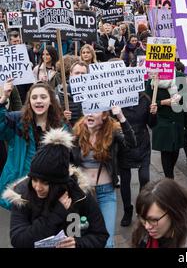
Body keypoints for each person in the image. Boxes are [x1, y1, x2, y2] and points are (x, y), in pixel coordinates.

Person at [3, 128, 109, 248]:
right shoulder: (22, 195)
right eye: (34, 180)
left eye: (45, 183)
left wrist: (78, 244)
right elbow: (19, 240)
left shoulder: (79, 194)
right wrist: (55, 215)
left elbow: (100, 235)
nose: (38, 187)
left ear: (59, 183)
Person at [71, 106, 137, 247]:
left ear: (105, 115)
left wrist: (121, 117)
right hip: (83, 194)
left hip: (106, 193)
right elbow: (65, 157)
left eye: (95, 110)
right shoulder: (77, 132)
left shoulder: (112, 131)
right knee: (82, 237)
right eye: (87, 110)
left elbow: (131, 144)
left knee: (107, 242)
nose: (90, 114)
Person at [0, 80, 67, 209]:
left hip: (50, 188)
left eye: (43, 97)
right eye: (34, 97)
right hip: (22, 188)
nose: (38, 101)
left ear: (51, 101)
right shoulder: (17, 121)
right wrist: (3, 99)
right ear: (29, 101)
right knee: (23, 228)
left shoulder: (60, 125)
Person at [131, 179, 187, 248]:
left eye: (153, 220)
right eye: (143, 219)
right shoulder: (141, 233)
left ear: (173, 213)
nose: (147, 226)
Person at [118, 94, 157, 227]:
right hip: (124, 144)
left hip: (142, 143)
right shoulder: (116, 99)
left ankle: (142, 209)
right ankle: (127, 210)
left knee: (144, 178)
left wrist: (153, 113)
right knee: (125, 181)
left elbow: (152, 125)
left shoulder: (145, 99)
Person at [145, 71, 186, 179]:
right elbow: (148, 100)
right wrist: (163, 102)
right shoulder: (153, 79)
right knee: (166, 150)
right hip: (162, 119)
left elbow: (185, 99)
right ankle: (169, 179)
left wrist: (182, 95)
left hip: (177, 118)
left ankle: (170, 174)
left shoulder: (180, 76)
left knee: (175, 149)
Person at [57, 61, 88, 127]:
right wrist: (62, 117)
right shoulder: (60, 95)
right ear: (71, 74)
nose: (80, 76)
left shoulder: (94, 95)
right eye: (77, 73)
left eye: (83, 73)